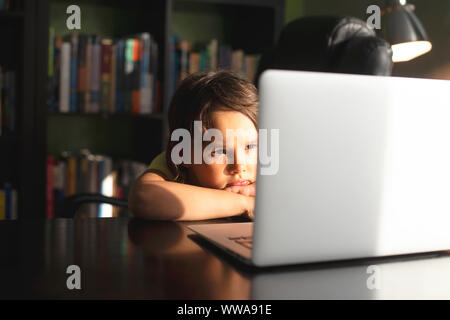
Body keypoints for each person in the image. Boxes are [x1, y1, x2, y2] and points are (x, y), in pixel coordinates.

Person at [128, 71, 258, 221]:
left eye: (250, 147)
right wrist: (245, 203)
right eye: (220, 151)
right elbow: (144, 197)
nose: (239, 165)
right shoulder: (172, 164)